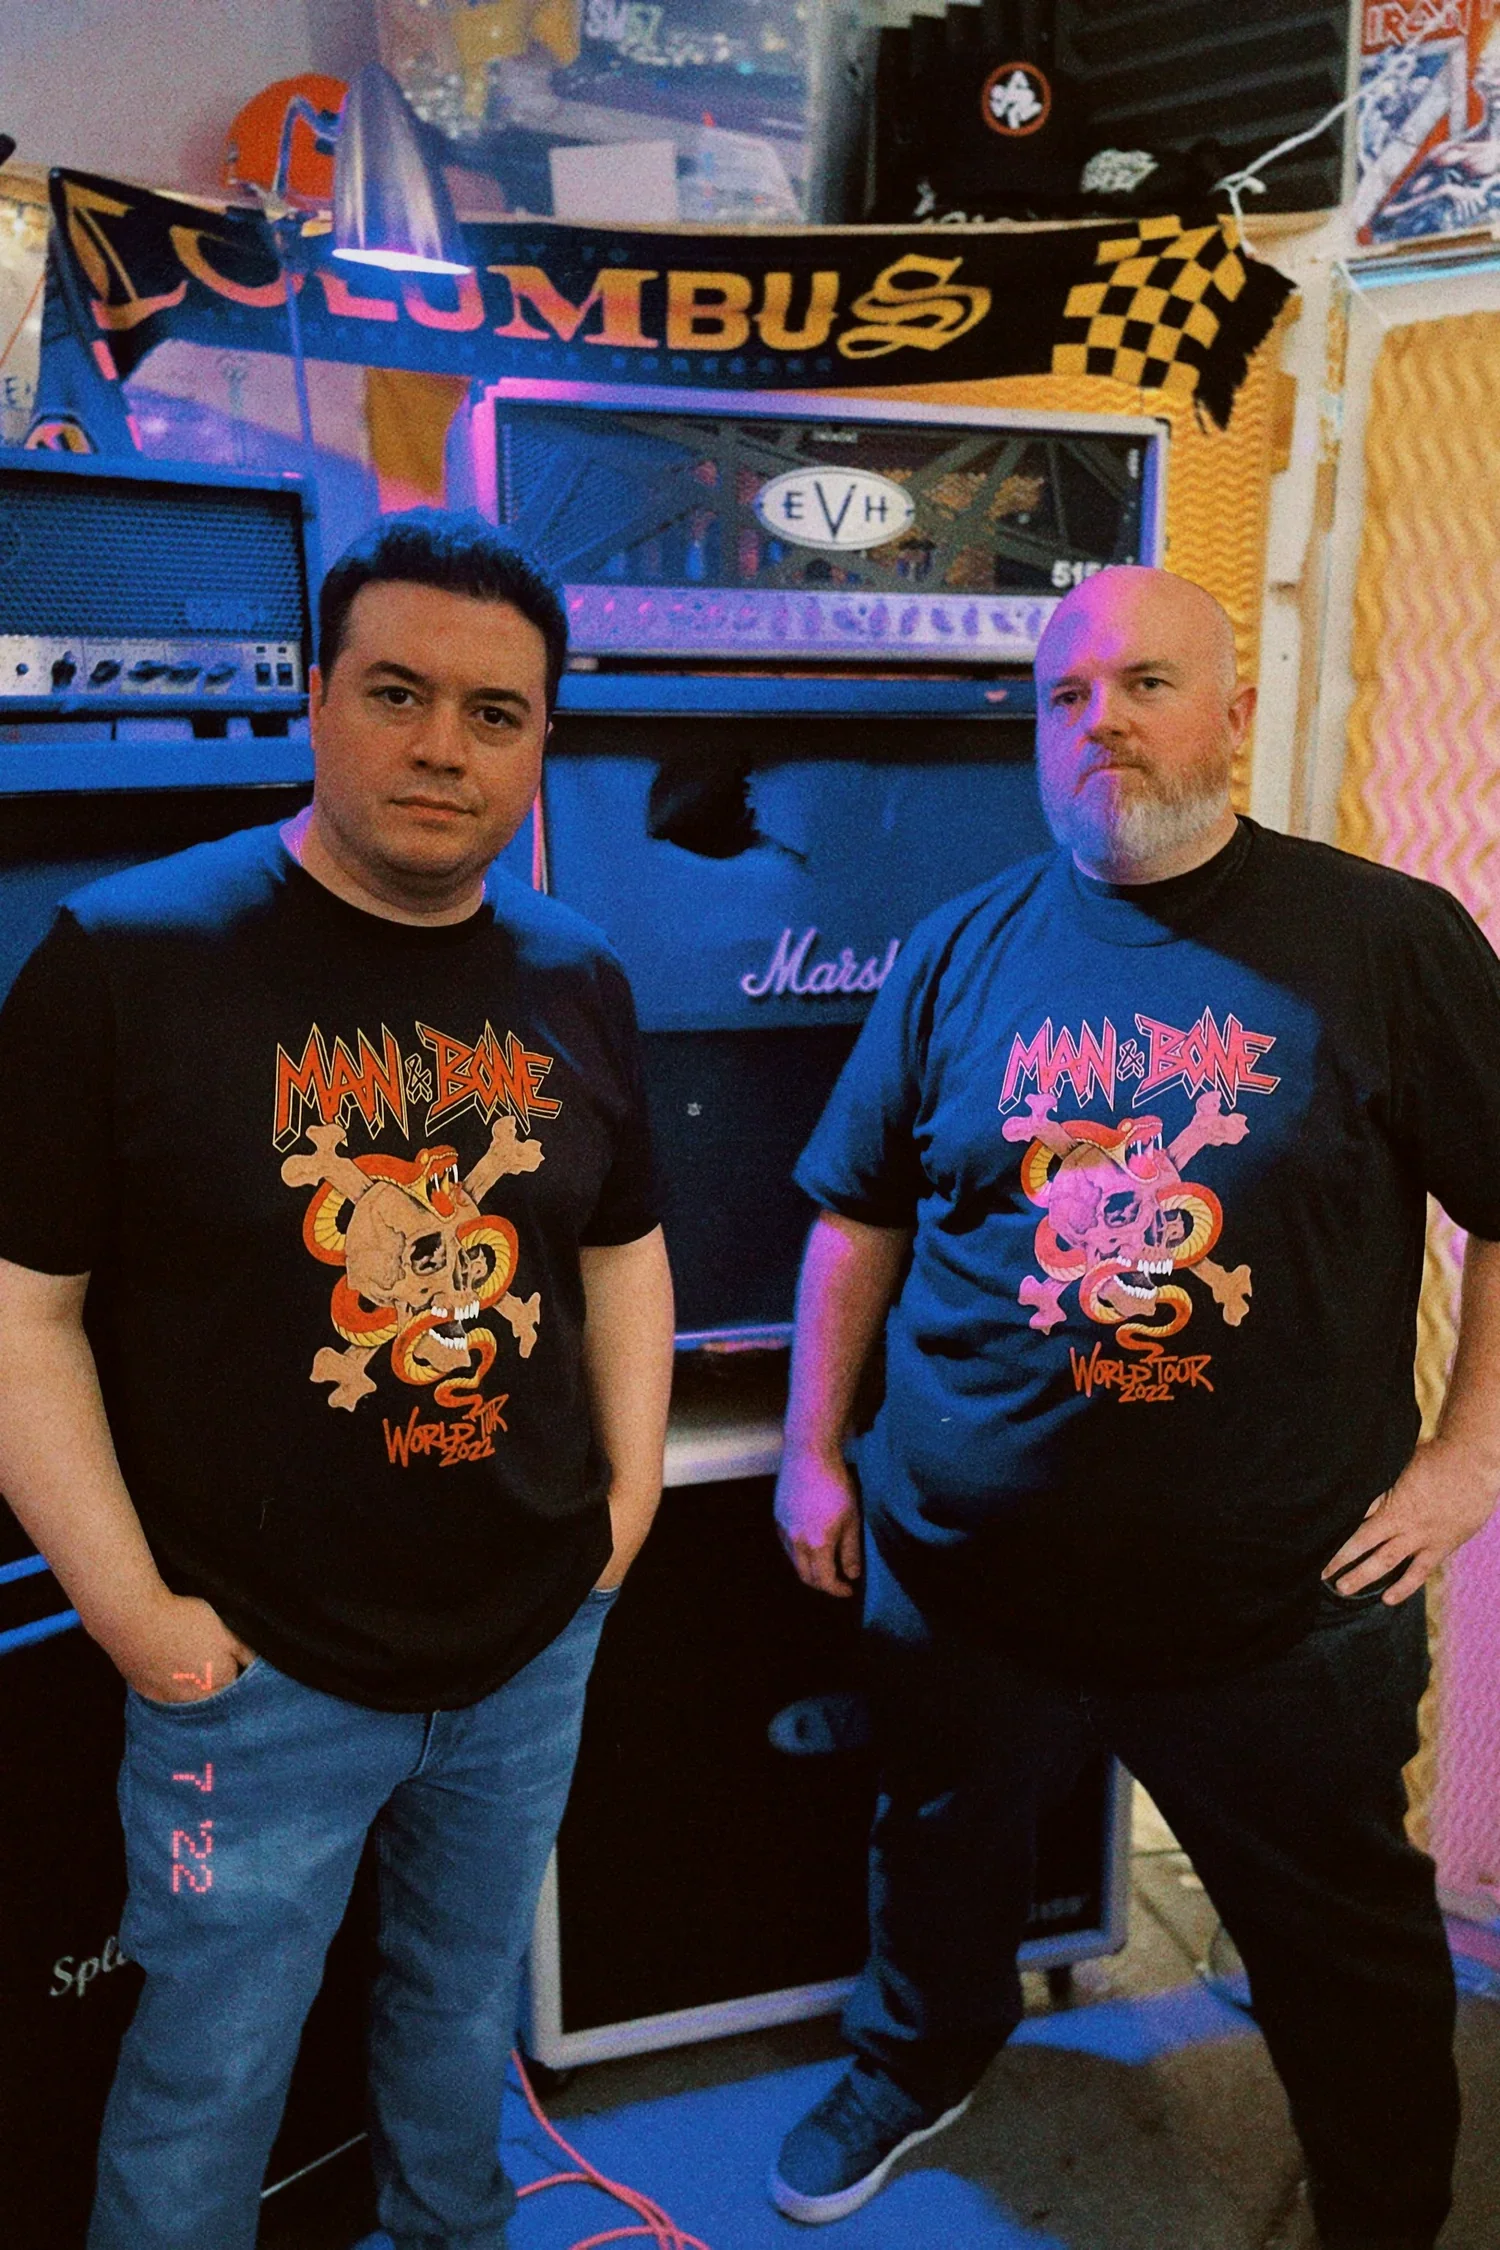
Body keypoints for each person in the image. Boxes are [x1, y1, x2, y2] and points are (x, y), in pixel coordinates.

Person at [768, 566, 1500, 2249]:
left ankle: (1384, 2204)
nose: (1102, 720)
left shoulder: (1385, 940)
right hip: (964, 1579)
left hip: (1283, 1611)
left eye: (1147, 682)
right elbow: (856, 1213)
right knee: (937, 1858)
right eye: (1065, 696)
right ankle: (921, 2057)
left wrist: (1470, 1456)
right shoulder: (960, 954)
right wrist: (814, 1453)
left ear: (1233, 716)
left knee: (1344, 1941)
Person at [0, 510, 674, 2250]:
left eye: (497, 712)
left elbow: (618, 1250)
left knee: (459, 2022)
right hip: (257, 1672)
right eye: (398, 691)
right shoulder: (124, 957)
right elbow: (23, 1318)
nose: (444, 745)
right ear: (317, 698)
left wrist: (629, 1501)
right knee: (209, 2069)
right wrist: (136, 1612)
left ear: (542, 742)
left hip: (528, 1638)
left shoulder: (577, 972)